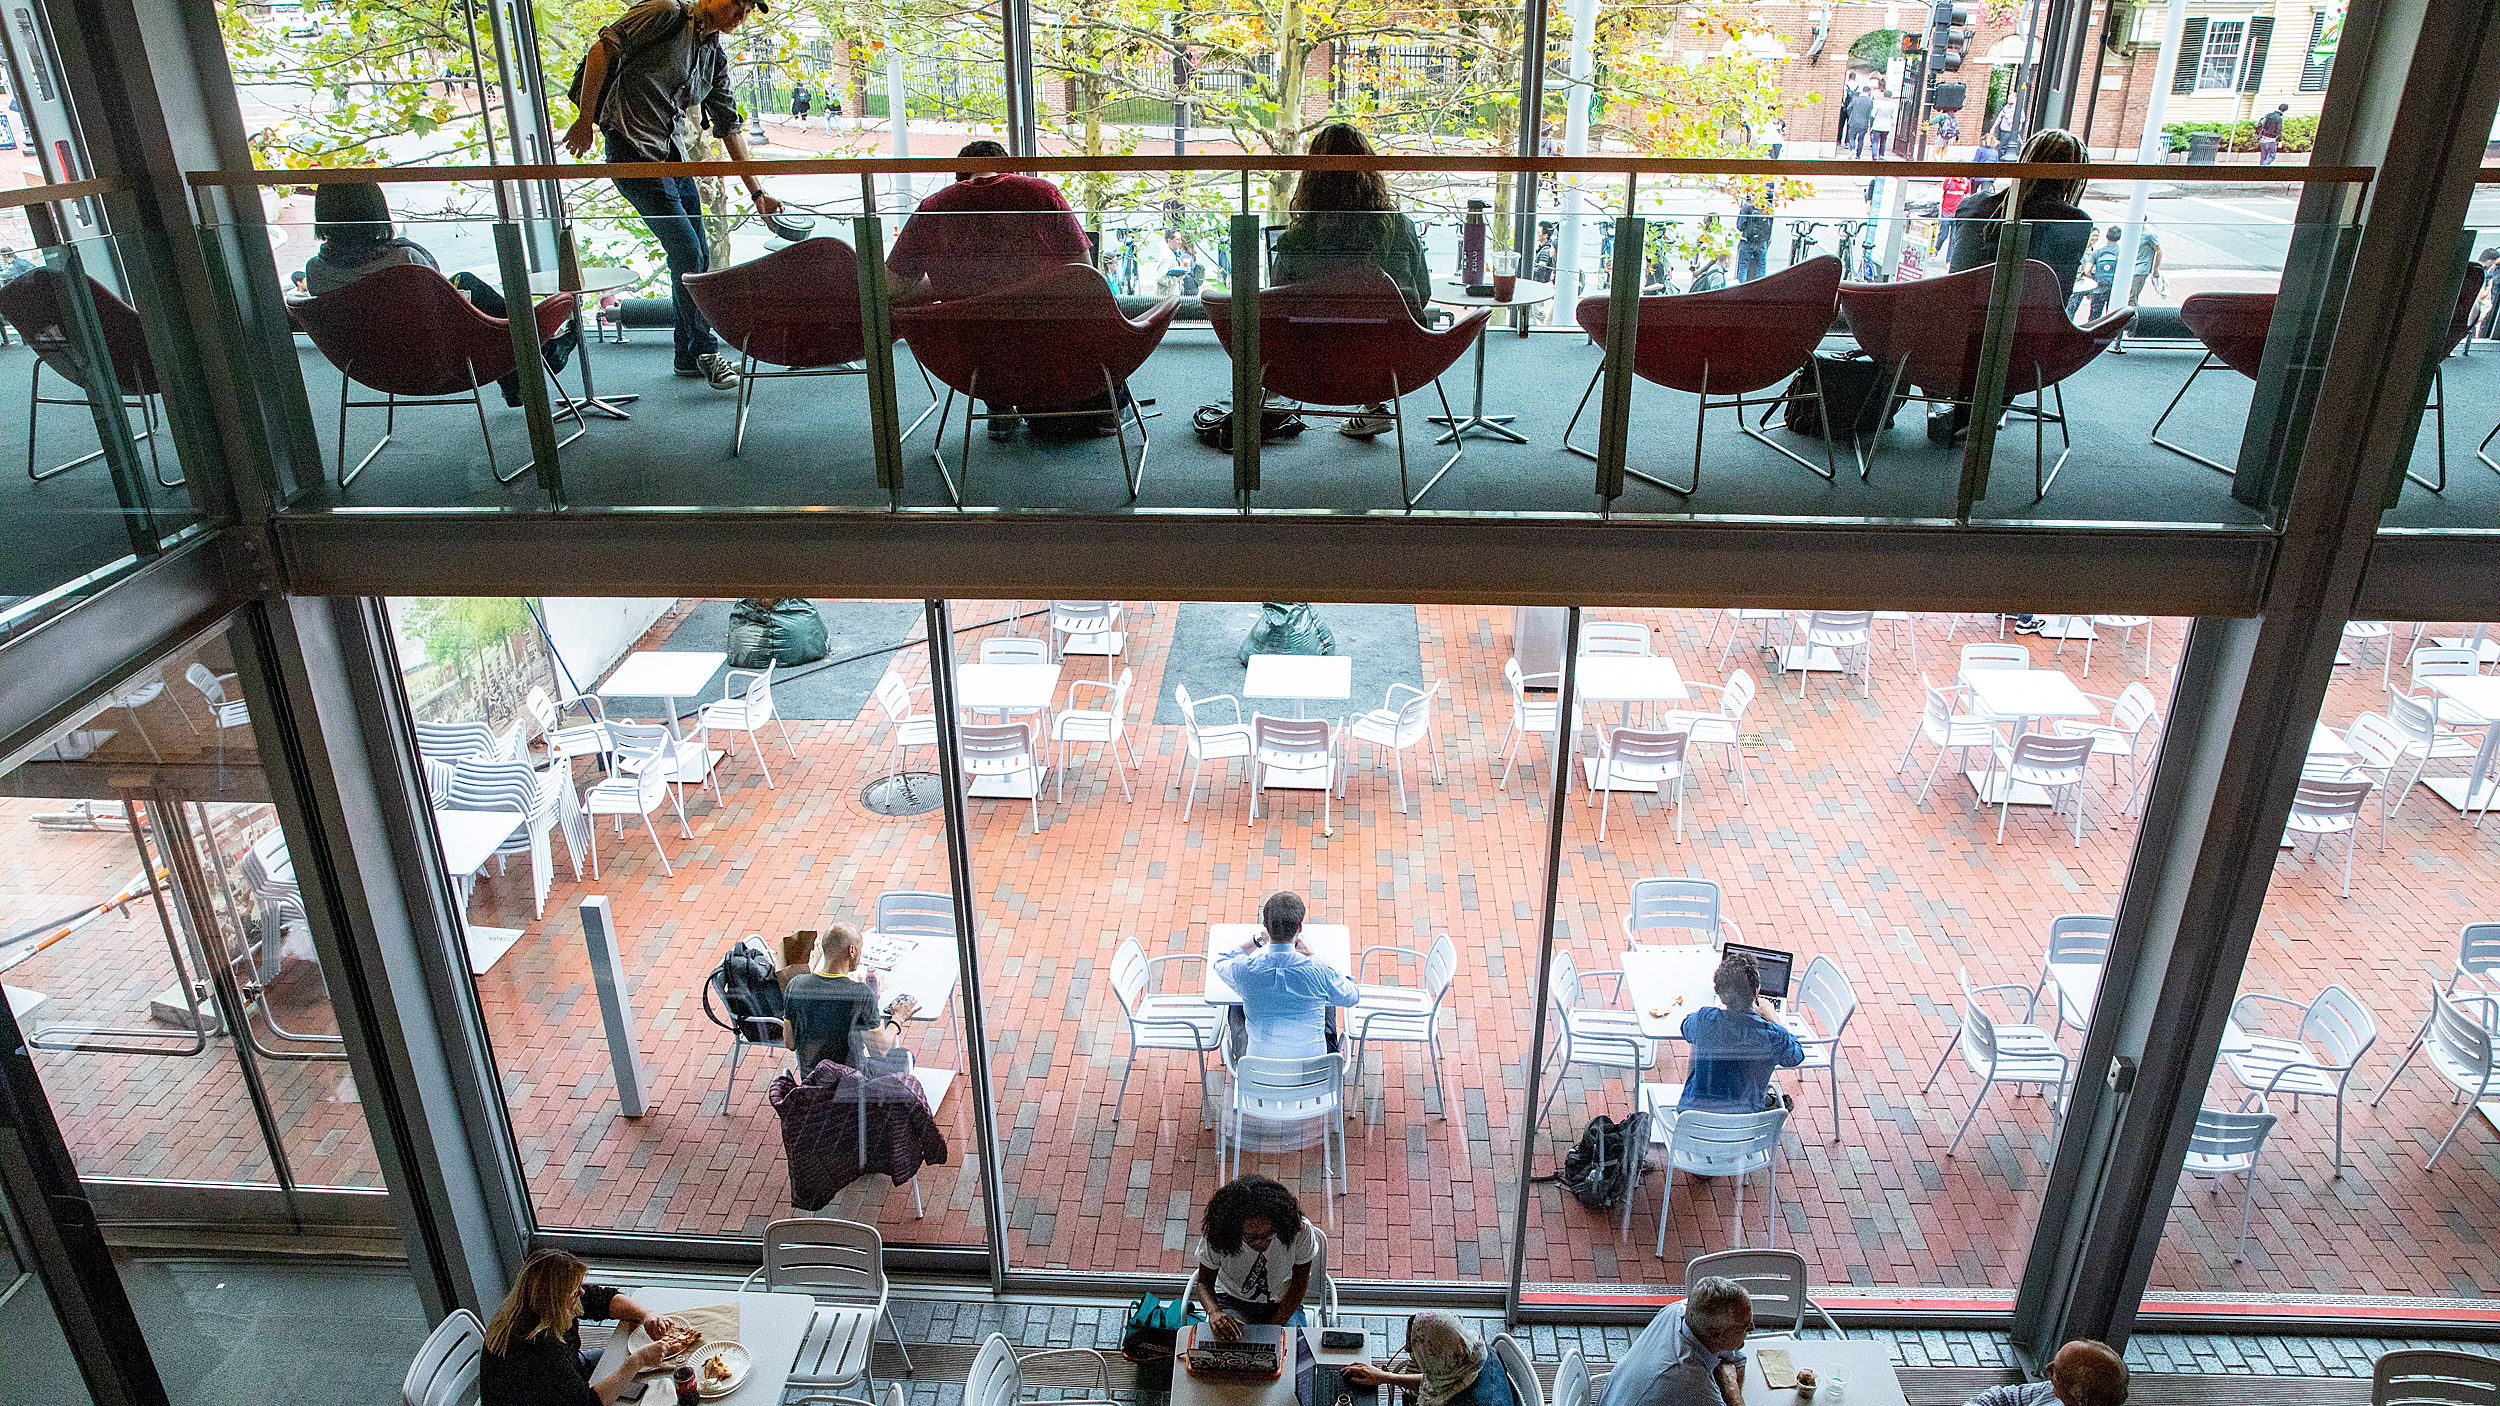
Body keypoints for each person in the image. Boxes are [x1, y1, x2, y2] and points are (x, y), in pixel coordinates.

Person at [564, 0, 785, 393]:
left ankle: (686, 355)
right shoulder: (665, 13)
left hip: (671, 155)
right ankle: (704, 350)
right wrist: (585, 119)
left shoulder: (713, 55)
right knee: (687, 252)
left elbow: (729, 127)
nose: (741, 15)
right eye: (736, 4)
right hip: (633, 154)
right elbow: (601, 51)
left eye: (749, 10)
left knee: (697, 254)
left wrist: (758, 194)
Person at [884, 138, 1095, 439]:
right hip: (1046, 348)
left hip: (971, 361)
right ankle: (1108, 407)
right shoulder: (1041, 193)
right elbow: (1084, 275)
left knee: (982, 322)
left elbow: (891, 287)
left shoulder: (933, 209)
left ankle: (997, 408)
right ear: (1008, 169)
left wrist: (946, 285)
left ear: (960, 176)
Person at [298, 181, 576, 406]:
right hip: (437, 360)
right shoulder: (404, 260)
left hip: (369, 366)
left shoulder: (316, 270)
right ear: (377, 211)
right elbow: (438, 311)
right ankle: (544, 352)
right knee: (467, 284)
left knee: (462, 288)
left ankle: (519, 378)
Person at [1269, 122, 1433, 439]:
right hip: (1391, 364)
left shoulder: (1296, 240)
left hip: (1310, 367)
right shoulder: (1399, 227)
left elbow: (1276, 307)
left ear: (1312, 176)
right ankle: (1373, 404)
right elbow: (1421, 295)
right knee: (1372, 328)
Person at [480, 1247, 675, 1406]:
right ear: (555, 1300)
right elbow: (588, 1403)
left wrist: (646, 1315)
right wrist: (637, 1361)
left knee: (643, 1365)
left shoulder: (536, 1305)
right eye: (575, 1292)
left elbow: (605, 1300)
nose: (582, 1293)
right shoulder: (540, 1348)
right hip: (555, 1394)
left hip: (566, 1377)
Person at [1190, 1175, 1322, 1405]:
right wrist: (1214, 1313)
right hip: (1231, 1302)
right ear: (1234, 1228)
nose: (1260, 1243)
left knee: (1292, 1368)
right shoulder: (1219, 1234)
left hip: (1283, 1303)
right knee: (1228, 1369)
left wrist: (1274, 1326)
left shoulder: (1299, 1231)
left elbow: (1299, 1285)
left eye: (1267, 1235)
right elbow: (1203, 1283)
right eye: (1251, 1237)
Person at [1215, 891, 1361, 1060]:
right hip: (1312, 1071)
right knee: (1328, 1000)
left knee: (1237, 1003)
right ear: (1299, 927)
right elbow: (1352, 996)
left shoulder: (1244, 970)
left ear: (1265, 925)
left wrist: (1259, 939)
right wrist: (1312, 955)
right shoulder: (1320, 969)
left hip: (1260, 1070)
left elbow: (1220, 961)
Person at [1677, 950, 1805, 1116]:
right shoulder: (1773, 1037)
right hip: (1744, 1125)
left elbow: (1686, 1028)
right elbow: (1796, 1056)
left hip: (1695, 1120)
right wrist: (1774, 1018)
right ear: (1757, 991)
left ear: (1722, 997)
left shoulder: (1705, 1020)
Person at [1598, 1277, 1755, 1406]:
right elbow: (1731, 1367)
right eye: (1744, 1326)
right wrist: (1730, 1388)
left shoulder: (1683, 1310)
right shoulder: (1690, 1381)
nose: (1752, 1328)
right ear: (1716, 1334)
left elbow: (1735, 1358)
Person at [783, 925, 918, 1074]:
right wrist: (897, 1019)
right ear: (852, 950)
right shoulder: (860, 993)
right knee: (904, 1056)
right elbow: (879, 1050)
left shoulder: (795, 985)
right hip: (851, 1084)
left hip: (813, 1080)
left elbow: (790, 1043)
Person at [1342, 1311, 1518, 1406]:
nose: (1406, 1349)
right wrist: (1384, 1377)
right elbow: (1436, 1381)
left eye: (1413, 1349)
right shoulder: (1474, 1352)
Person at [1961, 1340, 2129, 1406]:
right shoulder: (2055, 1392)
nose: (2048, 1367)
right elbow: (2006, 1396)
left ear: (2079, 1397)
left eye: (2057, 1371)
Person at [2073, 225, 2122, 321]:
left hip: (2098, 289)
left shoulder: (2097, 252)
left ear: (2106, 236)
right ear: (2119, 237)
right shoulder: (2122, 252)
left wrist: (2094, 281)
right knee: (2114, 317)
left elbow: (2086, 271)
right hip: (2113, 289)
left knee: (2094, 317)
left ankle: (2090, 335)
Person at [1734, 189, 1773, 284]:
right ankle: (1761, 289)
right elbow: (1770, 225)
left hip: (1747, 241)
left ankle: (1740, 290)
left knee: (1743, 267)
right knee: (1761, 268)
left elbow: (1740, 226)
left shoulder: (1747, 206)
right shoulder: (1769, 206)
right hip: (1762, 241)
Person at [1842, 80, 1873, 158]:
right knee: (1861, 139)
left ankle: (1852, 148)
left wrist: (1851, 115)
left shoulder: (1855, 99)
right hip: (1863, 123)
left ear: (1862, 91)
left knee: (1851, 137)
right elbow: (1871, 114)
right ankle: (1858, 155)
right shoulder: (1870, 102)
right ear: (1869, 92)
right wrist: (1870, 124)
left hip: (1853, 121)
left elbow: (1848, 108)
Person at [1867, 80, 1898, 159]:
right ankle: (1881, 155)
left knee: (1875, 141)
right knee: (1883, 141)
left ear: (1884, 96)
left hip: (1877, 125)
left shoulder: (1878, 103)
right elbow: (1894, 117)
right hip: (1886, 126)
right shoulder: (1893, 105)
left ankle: (1874, 155)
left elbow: (1873, 114)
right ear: (1890, 97)